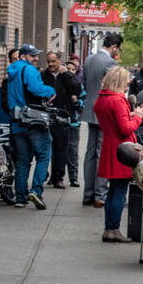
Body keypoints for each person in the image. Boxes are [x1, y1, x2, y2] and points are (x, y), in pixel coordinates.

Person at [93, 65, 143, 243]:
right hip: (123, 148)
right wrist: (138, 116)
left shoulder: (102, 99)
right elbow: (125, 129)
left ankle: (109, 228)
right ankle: (114, 229)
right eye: (126, 81)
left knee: (112, 190)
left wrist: (129, 115)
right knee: (120, 191)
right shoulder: (117, 100)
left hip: (109, 145)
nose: (127, 84)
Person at [6, 43, 56, 209]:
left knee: (23, 161)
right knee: (43, 156)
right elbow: (37, 89)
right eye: (32, 55)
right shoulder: (29, 70)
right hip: (33, 120)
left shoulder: (12, 72)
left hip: (17, 122)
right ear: (23, 56)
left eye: (36, 55)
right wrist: (50, 91)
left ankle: (20, 197)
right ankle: (36, 191)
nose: (36, 58)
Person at [82, 33, 122, 208]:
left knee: (90, 153)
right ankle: (100, 194)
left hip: (90, 109)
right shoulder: (109, 63)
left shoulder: (89, 60)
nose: (118, 52)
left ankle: (88, 193)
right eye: (118, 49)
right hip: (103, 111)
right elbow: (114, 88)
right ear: (114, 46)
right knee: (101, 152)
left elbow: (85, 84)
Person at [42, 51, 79, 189]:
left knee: (61, 149)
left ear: (59, 60)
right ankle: (45, 175)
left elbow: (77, 88)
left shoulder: (66, 75)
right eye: (48, 62)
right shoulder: (43, 76)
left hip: (62, 116)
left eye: (53, 61)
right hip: (46, 116)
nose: (50, 64)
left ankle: (58, 177)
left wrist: (67, 75)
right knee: (45, 148)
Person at [64, 57, 86, 187]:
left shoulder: (78, 86)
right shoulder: (59, 84)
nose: (71, 71)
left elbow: (82, 104)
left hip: (73, 123)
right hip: (60, 123)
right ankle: (57, 176)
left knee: (73, 151)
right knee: (58, 151)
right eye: (68, 69)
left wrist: (76, 101)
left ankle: (73, 177)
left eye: (73, 69)